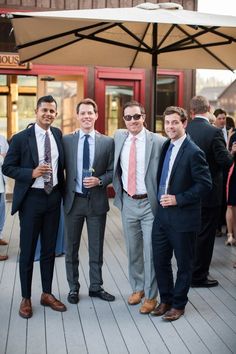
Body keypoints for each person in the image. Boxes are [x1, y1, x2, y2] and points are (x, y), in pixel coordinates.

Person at [2, 95, 66, 318]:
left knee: (49, 249)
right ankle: (26, 297)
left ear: (55, 114)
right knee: (28, 250)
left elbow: (62, 167)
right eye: (45, 110)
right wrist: (31, 172)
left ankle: (46, 293)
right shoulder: (20, 138)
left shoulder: (57, 134)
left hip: (53, 198)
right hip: (31, 200)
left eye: (52, 111)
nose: (48, 114)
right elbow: (7, 168)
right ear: (36, 112)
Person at [151, 106, 212, 321]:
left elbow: (205, 185)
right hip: (162, 217)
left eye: (175, 122)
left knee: (184, 264)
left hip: (183, 218)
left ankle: (178, 305)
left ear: (184, 123)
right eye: (167, 123)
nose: (170, 126)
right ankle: (166, 299)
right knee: (160, 261)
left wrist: (178, 199)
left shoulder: (194, 151)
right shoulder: (166, 145)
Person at [113, 100, 166, 314]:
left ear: (144, 117)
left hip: (150, 204)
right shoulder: (119, 137)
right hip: (128, 202)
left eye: (137, 116)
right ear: (124, 120)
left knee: (151, 251)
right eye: (128, 117)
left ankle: (151, 295)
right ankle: (137, 288)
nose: (133, 121)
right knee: (133, 249)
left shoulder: (159, 141)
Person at [63, 98, 115, 304]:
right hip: (73, 202)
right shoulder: (67, 140)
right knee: (71, 248)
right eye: (82, 113)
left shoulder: (107, 142)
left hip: (96, 202)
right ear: (77, 116)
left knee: (96, 247)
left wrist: (100, 180)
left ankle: (96, 287)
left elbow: (112, 171)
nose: (86, 116)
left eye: (89, 113)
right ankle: (73, 288)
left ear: (96, 116)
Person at [187, 96, 233, 288]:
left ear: (191, 112)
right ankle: (199, 276)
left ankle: (189, 271)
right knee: (206, 236)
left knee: (191, 234)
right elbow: (225, 161)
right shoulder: (214, 132)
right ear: (208, 109)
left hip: (188, 192)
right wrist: (232, 153)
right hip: (209, 192)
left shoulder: (185, 129)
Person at [0, 134, 9, 261]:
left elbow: (7, 154)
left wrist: (3, 156)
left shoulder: (1, 138)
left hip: (1, 181)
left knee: (1, 211)